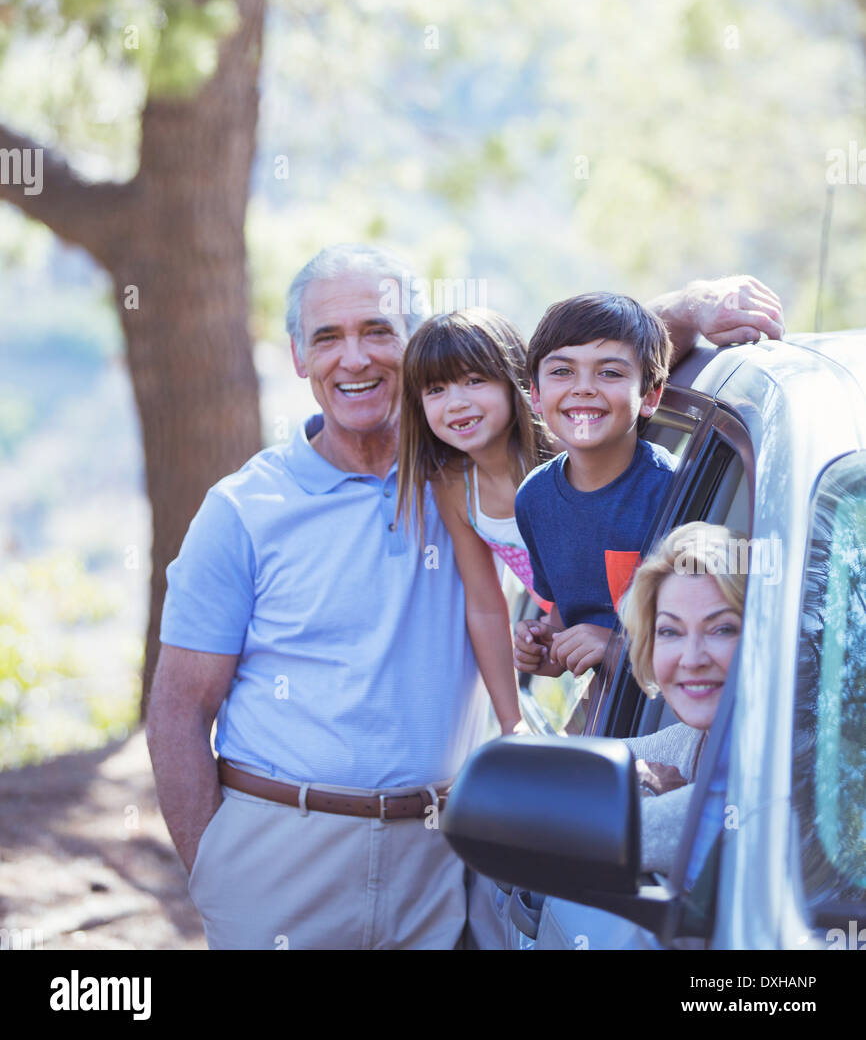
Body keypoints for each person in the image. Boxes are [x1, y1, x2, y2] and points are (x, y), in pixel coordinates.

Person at [145, 244, 782, 950]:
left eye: (378, 331)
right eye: (327, 337)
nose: (353, 359)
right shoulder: (246, 509)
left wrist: (690, 306)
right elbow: (179, 704)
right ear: (299, 356)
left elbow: (581, 370)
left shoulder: (467, 462)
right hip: (279, 857)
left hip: (442, 853)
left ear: (415, 347)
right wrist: (213, 870)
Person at [397, 308, 557, 736]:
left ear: (515, 381)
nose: (456, 402)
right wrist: (511, 723)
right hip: (576, 651)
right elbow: (486, 606)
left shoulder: (562, 457)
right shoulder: (452, 485)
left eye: (474, 380)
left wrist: (560, 623)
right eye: (436, 389)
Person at [513, 292, 676, 684]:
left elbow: (703, 639)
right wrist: (549, 646)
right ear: (535, 395)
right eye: (562, 372)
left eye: (610, 373)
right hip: (602, 710)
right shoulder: (534, 499)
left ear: (650, 396)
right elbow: (565, 613)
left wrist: (618, 647)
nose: (583, 388)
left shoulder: (670, 492)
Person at [619, 521, 747, 874]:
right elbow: (580, 766)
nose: (692, 659)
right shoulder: (696, 741)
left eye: (722, 629)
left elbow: (603, 835)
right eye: (670, 631)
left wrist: (642, 794)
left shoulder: (781, 767)